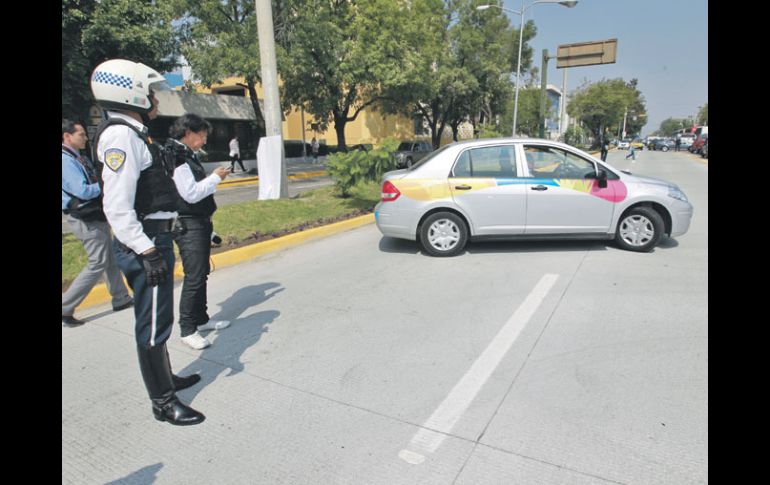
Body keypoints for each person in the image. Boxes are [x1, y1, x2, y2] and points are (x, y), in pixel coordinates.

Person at [90, 58, 204, 426]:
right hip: (145, 242)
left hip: (154, 236)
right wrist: (147, 249)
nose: (155, 100)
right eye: (151, 92)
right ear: (131, 92)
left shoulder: (135, 133)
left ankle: (166, 379)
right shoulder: (120, 136)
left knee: (160, 318)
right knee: (153, 324)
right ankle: (163, 402)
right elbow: (117, 207)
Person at [165, 114, 232, 350]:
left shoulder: (186, 153)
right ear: (188, 132)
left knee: (201, 273)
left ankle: (201, 320)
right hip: (188, 223)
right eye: (202, 135)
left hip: (198, 222)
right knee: (193, 276)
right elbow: (190, 193)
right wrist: (215, 178)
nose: (204, 140)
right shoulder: (177, 154)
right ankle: (187, 328)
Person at [62, 120, 133, 327]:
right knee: (98, 262)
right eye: (81, 134)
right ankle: (65, 306)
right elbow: (82, 190)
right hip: (84, 217)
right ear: (67, 136)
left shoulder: (75, 157)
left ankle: (121, 298)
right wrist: (105, 183)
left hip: (93, 215)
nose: (85, 138)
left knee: (109, 257)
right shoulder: (66, 160)